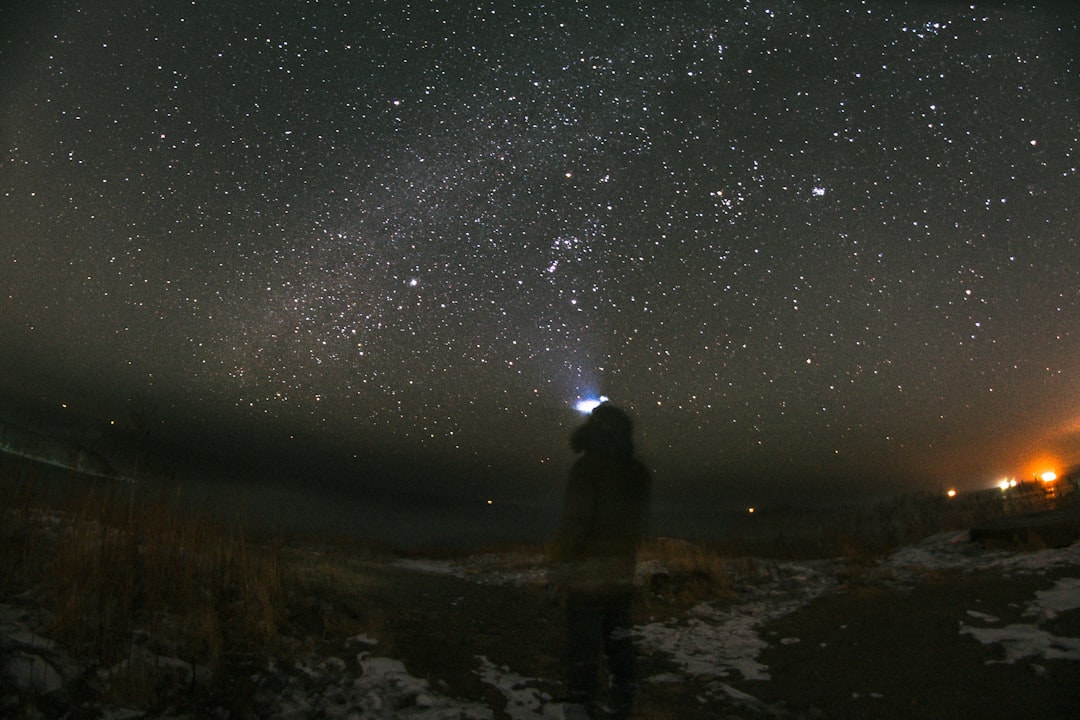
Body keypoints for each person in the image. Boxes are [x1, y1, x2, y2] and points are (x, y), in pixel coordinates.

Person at [550, 403, 652, 719]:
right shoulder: (637, 473)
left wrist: (561, 570)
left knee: (583, 650)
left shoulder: (587, 468)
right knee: (620, 645)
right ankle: (623, 706)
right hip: (621, 573)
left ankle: (580, 707)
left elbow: (575, 524)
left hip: (587, 577)